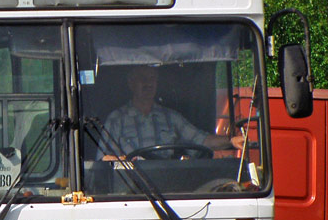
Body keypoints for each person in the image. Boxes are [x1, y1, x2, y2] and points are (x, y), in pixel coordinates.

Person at [101, 65, 240, 158]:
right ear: (131, 83)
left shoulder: (171, 117)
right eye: (142, 78)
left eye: (152, 79)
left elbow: (201, 140)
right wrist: (121, 161)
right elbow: (103, 159)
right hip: (131, 190)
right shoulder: (116, 119)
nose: (148, 84)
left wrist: (232, 141)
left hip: (169, 186)